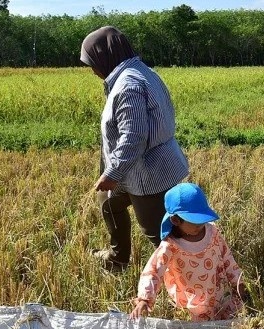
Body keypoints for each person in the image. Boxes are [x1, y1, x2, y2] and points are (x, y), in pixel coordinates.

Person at [80, 26, 189, 272]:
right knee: (109, 204)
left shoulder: (128, 84)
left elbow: (134, 135)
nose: (93, 70)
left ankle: (186, 278)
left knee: (156, 232)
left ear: (105, 57)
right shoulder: (139, 72)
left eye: (92, 63)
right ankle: (118, 258)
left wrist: (112, 172)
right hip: (133, 170)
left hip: (147, 173)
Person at [130, 183, 247, 322]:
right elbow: (153, 271)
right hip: (193, 303)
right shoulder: (171, 246)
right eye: (195, 222)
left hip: (218, 292)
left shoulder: (212, 232)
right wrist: (145, 298)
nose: (201, 226)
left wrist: (237, 281)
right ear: (175, 220)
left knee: (228, 321)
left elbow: (226, 256)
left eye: (203, 221)